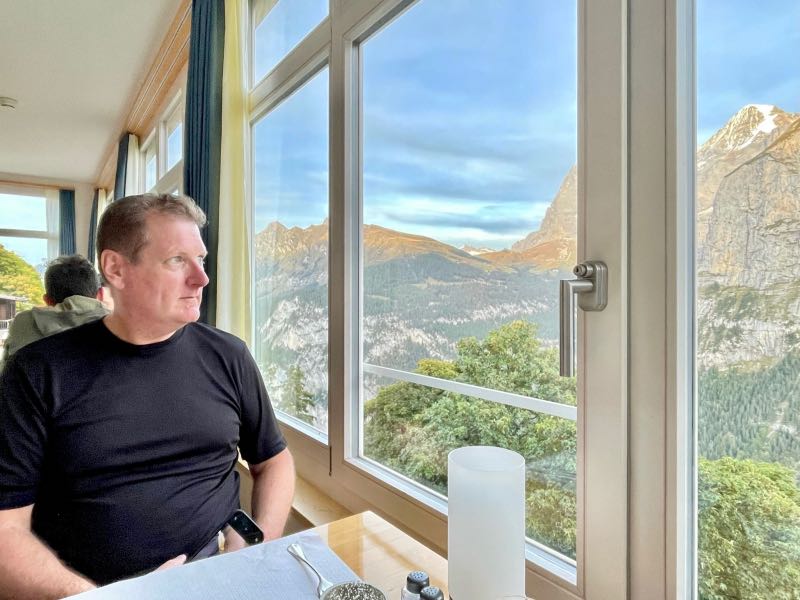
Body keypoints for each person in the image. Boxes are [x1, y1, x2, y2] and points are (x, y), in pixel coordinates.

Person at [0, 194, 295, 597]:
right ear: (116, 269)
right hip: (87, 590)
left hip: (219, 574)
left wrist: (254, 547)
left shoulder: (228, 356)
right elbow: (6, 531)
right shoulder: (37, 373)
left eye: (201, 259)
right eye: (177, 260)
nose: (201, 278)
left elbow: (274, 460)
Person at [1, 254, 109, 368]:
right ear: (100, 295)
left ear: (47, 300)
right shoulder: (116, 327)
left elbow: (5, 372)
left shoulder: (22, 324)